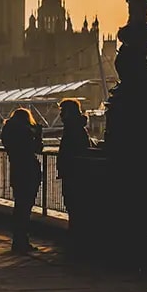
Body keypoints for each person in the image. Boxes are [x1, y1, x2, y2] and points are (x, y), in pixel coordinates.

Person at [0, 107, 44, 253]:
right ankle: (22, 241)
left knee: (19, 206)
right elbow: (37, 149)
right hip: (28, 170)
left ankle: (17, 240)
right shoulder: (26, 133)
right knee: (25, 207)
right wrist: (38, 135)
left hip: (16, 171)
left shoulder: (8, 132)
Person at [55, 98, 93, 247]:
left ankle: (76, 239)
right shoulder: (77, 128)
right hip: (74, 173)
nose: (60, 114)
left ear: (69, 112)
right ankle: (76, 238)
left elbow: (74, 152)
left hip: (73, 174)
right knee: (75, 206)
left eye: (62, 111)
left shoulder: (73, 129)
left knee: (74, 206)